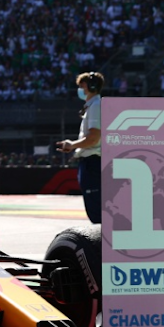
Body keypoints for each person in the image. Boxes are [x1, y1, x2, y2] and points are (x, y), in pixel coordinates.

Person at [56, 71, 104, 224]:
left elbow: (93, 137)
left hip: (92, 161)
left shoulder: (96, 106)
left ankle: (101, 245)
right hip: (90, 161)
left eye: (82, 86)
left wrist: (72, 145)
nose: (80, 90)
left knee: (96, 209)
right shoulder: (92, 106)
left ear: (91, 86)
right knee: (94, 206)